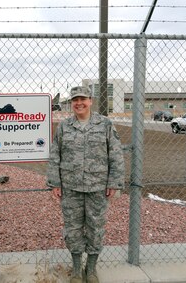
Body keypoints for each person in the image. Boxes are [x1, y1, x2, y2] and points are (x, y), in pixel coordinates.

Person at [47, 86, 125, 283]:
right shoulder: (64, 126)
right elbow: (55, 155)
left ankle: (90, 269)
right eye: (75, 100)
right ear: (71, 103)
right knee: (72, 229)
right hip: (71, 188)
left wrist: (114, 182)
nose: (78, 103)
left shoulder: (105, 124)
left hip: (97, 187)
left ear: (90, 101)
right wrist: (55, 182)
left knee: (95, 228)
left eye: (82, 99)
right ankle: (75, 268)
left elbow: (115, 155)